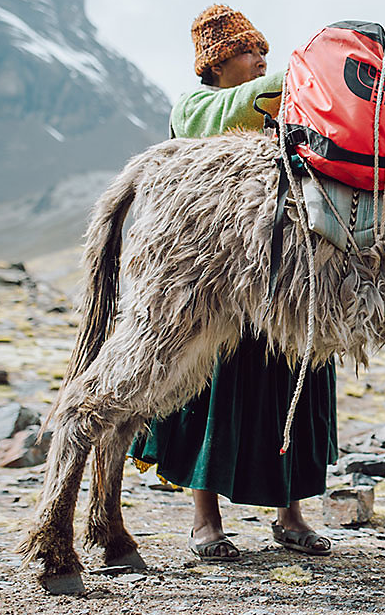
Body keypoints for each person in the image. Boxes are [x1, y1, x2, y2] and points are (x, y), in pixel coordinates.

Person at [129, 5, 337, 560]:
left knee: (291, 385)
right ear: (217, 62)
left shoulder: (276, 112)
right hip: (214, 272)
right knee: (209, 388)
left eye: (266, 52)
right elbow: (230, 111)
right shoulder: (195, 107)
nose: (261, 60)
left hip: (281, 272)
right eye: (250, 51)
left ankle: (290, 515)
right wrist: (304, 69)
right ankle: (205, 520)